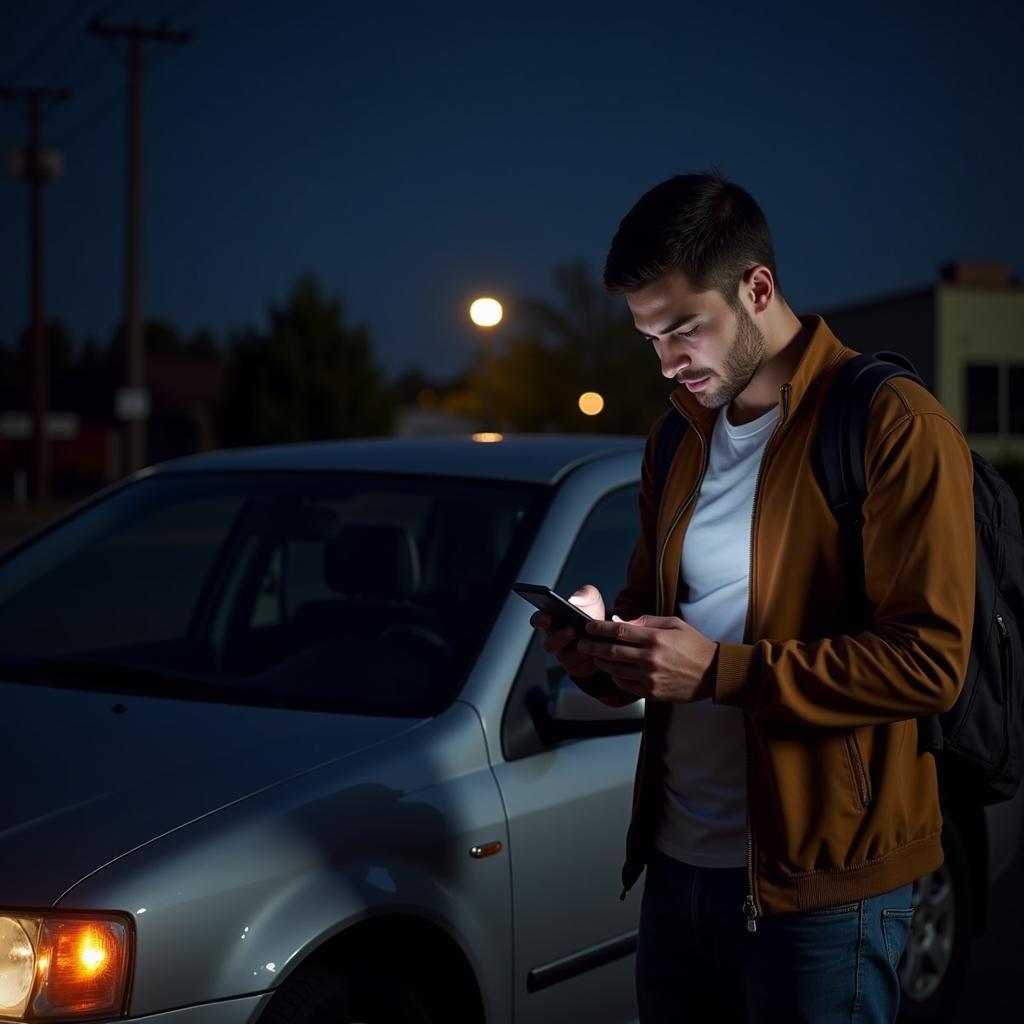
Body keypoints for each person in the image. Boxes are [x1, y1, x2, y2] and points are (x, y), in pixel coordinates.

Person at [530, 173, 975, 1024]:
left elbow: (931, 664)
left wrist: (721, 673)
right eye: (649, 339)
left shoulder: (891, 424)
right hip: (674, 870)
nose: (667, 363)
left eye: (684, 329)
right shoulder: (676, 438)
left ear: (757, 288)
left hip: (823, 887)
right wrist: (599, 652)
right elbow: (654, 624)